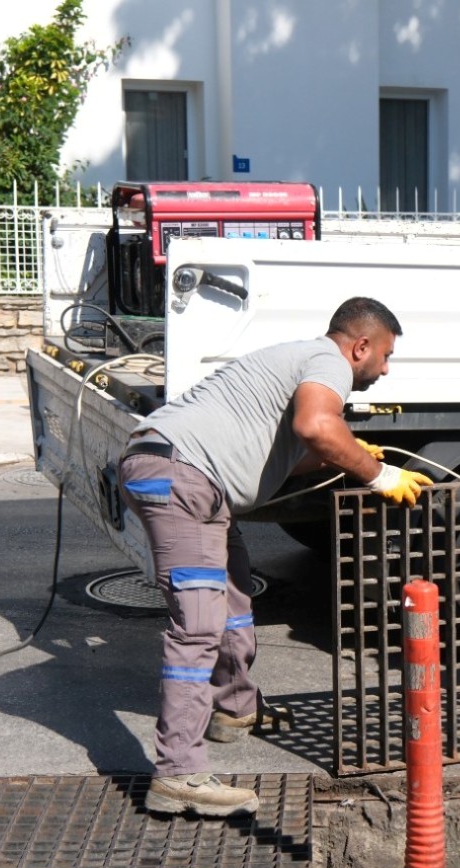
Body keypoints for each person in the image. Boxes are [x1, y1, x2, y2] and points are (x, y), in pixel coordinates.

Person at [118, 297, 432, 816]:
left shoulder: (300, 359)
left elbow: (292, 450)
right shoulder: (328, 362)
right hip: (181, 478)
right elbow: (317, 427)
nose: (385, 369)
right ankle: (177, 774)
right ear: (361, 346)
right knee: (197, 627)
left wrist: (353, 454)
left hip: (187, 477)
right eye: (385, 356)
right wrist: (378, 475)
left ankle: (234, 708)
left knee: (234, 596)